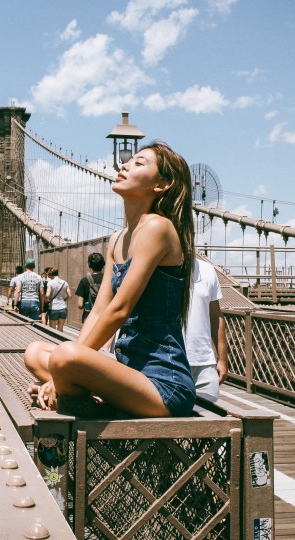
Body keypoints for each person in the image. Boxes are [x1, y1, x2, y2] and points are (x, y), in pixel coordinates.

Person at [24, 141, 196, 418]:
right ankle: (78, 390)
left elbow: (119, 310)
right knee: (35, 352)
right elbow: (101, 308)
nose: (125, 165)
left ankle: (71, 392)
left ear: (161, 185)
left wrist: (60, 371)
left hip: (163, 385)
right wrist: (64, 366)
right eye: (129, 162)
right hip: (127, 371)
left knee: (65, 357)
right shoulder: (117, 239)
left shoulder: (157, 227)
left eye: (139, 163)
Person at [186, 258, 229, 402]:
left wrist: (222, 359)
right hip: (168, 363)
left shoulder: (207, 270)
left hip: (205, 365)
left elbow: (216, 316)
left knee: (210, 418)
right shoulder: (154, 267)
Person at [75, 252, 106, 324]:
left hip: (89, 317)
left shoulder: (85, 280)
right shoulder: (109, 279)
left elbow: (80, 305)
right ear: (103, 264)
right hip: (106, 316)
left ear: (89, 265)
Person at [45, 267, 71, 332]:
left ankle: (53, 341)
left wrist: (47, 300)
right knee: (60, 328)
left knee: (52, 330)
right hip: (63, 308)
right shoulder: (64, 283)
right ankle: (60, 341)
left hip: (53, 308)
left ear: (51, 274)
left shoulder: (50, 283)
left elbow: (47, 295)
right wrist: (64, 300)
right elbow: (70, 296)